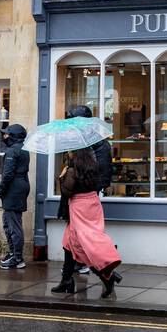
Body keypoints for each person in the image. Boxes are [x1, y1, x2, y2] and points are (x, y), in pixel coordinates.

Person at [51, 146, 123, 296]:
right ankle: (66, 280)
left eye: (69, 150)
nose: (67, 152)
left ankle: (106, 275)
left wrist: (61, 177)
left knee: (83, 246)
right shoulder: (92, 166)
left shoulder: (72, 170)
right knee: (68, 243)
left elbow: (67, 192)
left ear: (74, 152)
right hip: (93, 205)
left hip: (79, 208)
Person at [65, 104, 113, 275]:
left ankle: (103, 264)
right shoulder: (90, 139)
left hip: (84, 194)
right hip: (86, 192)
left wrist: (73, 175)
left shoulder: (90, 142)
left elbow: (92, 169)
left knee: (85, 233)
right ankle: (69, 273)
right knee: (75, 234)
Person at [0, 123, 30, 270]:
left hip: (13, 189)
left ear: (14, 136)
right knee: (9, 221)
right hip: (20, 186)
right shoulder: (23, 149)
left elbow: (8, 174)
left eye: (7, 134)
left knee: (13, 224)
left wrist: (1, 190)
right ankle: (13, 254)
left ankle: (17, 258)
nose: (4, 136)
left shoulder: (12, 151)